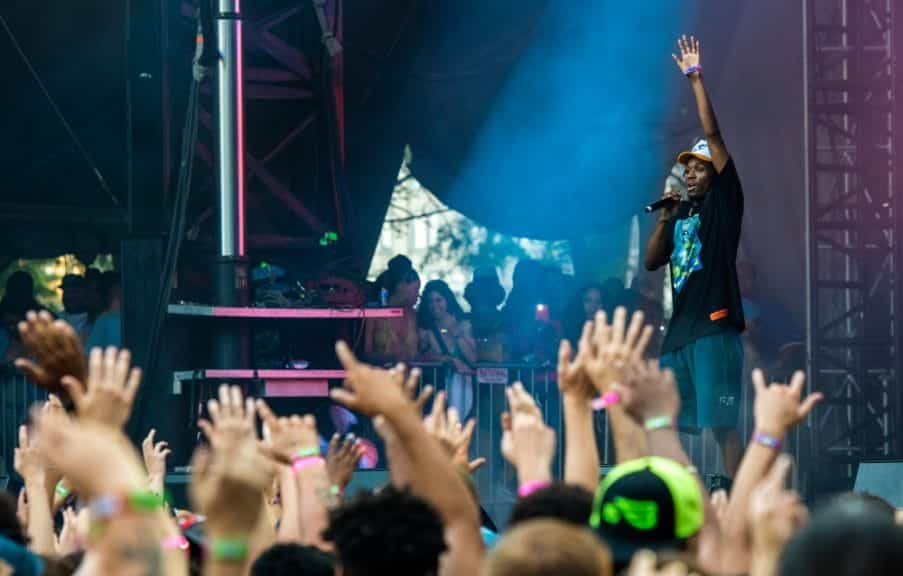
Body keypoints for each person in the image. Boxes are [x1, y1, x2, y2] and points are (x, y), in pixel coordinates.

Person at [644, 36, 745, 476]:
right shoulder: (682, 212)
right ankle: (680, 492)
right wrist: (665, 217)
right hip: (681, 332)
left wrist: (695, 77)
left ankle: (730, 490)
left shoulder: (725, 204)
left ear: (715, 173)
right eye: (687, 167)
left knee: (720, 425)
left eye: (699, 167)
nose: (690, 172)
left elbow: (714, 135)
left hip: (714, 325)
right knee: (668, 423)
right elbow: (652, 262)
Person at [417, 279, 477, 417]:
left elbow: (473, 359)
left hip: (462, 389)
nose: (434, 305)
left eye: (439, 300)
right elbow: (420, 356)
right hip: (434, 389)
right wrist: (450, 360)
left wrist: (456, 334)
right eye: (430, 301)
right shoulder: (425, 329)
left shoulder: (464, 325)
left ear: (448, 300)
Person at [364, 255, 420, 365]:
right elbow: (366, 354)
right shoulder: (374, 314)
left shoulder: (414, 315)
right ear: (401, 286)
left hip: (411, 380)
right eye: (416, 289)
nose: (418, 294)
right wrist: (390, 358)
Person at [463, 267, 507, 362]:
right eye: (481, 288)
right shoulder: (465, 322)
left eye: (488, 288)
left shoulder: (504, 321)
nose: (484, 292)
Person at [84, 271, 121, 351]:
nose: (88, 295)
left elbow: (88, 357)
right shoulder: (94, 321)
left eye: (94, 291)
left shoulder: (107, 320)